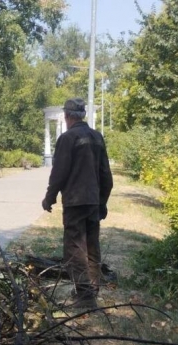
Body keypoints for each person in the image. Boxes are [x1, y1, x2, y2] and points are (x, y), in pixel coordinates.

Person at [41, 98, 113, 309]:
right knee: (92, 245)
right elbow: (106, 175)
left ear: (67, 116)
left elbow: (59, 173)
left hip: (75, 201)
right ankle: (92, 288)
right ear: (82, 114)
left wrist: (49, 197)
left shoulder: (67, 138)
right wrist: (102, 202)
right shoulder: (97, 137)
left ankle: (85, 295)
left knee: (74, 247)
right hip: (92, 200)